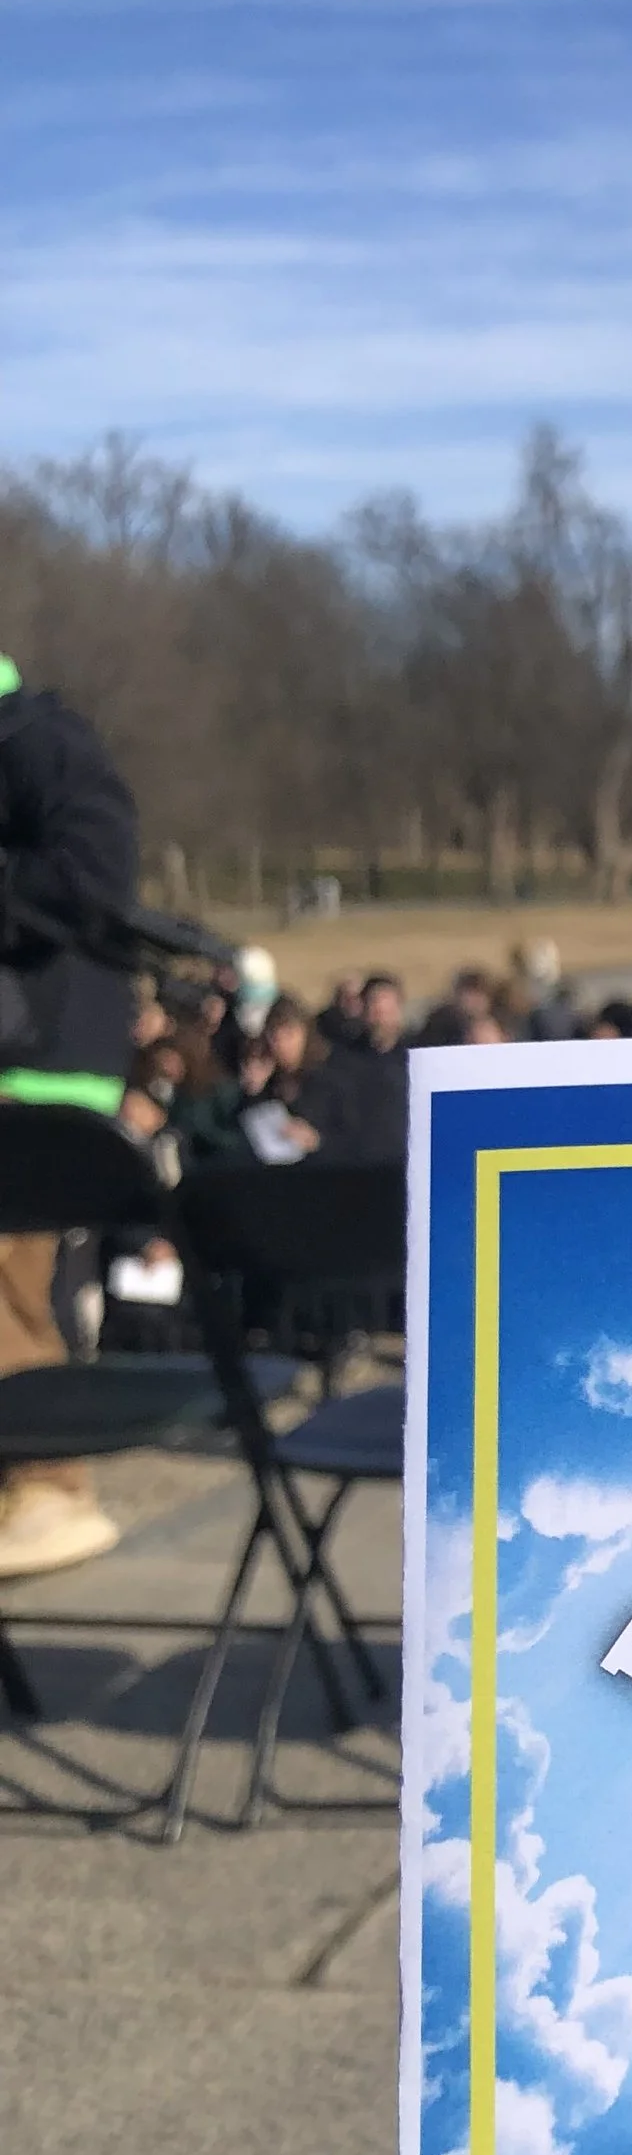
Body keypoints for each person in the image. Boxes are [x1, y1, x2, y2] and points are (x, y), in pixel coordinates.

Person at [0, 653, 142, 1578]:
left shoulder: (38, 742)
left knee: (10, 1285)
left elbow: (97, 873)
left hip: (39, 1069)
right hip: (33, 1058)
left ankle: (52, 1484)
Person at [299, 972, 410, 1163]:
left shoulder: (416, 1058)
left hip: (403, 1162)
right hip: (355, 1165)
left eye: (386, 1007)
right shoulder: (342, 1060)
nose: (379, 1013)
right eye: (373, 1005)